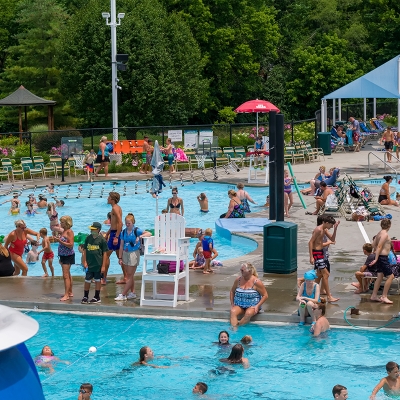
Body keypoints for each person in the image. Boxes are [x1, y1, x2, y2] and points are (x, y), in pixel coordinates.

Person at [115, 213, 151, 301]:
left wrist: (140, 236)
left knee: (129, 276)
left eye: (129, 223)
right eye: (126, 223)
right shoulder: (123, 232)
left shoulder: (136, 230)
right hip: (125, 253)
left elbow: (149, 233)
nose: (127, 225)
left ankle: (123, 294)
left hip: (134, 253)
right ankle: (133, 292)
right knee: (129, 275)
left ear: (133, 223)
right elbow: (121, 245)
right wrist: (120, 257)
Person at [308, 214, 339, 302]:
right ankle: (329, 297)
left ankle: (311, 292)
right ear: (326, 222)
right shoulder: (318, 229)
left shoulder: (323, 229)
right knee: (326, 274)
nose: (331, 227)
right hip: (317, 254)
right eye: (331, 225)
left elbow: (332, 239)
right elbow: (310, 242)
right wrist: (311, 257)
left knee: (320, 275)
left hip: (321, 253)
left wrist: (336, 228)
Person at [230, 262, 268, 327]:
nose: (241, 271)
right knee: (233, 311)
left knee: (248, 313)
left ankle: (239, 328)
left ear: (249, 271)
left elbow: (265, 295)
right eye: (240, 270)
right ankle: (234, 330)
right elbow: (232, 291)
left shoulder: (256, 282)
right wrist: (232, 304)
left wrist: (257, 306)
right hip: (239, 305)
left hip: (252, 306)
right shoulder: (238, 280)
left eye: (242, 270)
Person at [81, 222, 108, 304]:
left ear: (98, 230)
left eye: (93, 229)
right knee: (87, 280)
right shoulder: (88, 238)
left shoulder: (102, 240)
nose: (91, 230)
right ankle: (85, 296)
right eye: (91, 229)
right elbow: (85, 250)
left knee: (97, 280)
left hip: (98, 264)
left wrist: (103, 266)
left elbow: (105, 253)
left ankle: (97, 296)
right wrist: (84, 261)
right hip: (89, 264)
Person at [369, 219, 395, 304]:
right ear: (389, 226)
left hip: (380, 257)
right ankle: (384, 296)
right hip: (382, 258)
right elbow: (379, 246)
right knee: (390, 277)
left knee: (380, 276)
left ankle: (374, 295)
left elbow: (373, 245)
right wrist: (376, 258)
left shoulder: (379, 233)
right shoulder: (385, 234)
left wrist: (375, 253)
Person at [104, 192, 123, 285]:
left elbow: (120, 223)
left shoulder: (115, 208)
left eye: (109, 197)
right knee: (119, 256)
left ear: (112, 199)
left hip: (115, 234)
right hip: (113, 233)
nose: (107, 198)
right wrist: (108, 233)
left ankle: (103, 278)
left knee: (105, 255)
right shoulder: (116, 208)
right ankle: (126, 276)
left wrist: (116, 237)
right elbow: (114, 224)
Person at [58, 215, 75, 301]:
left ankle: (66, 295)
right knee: (67, 273)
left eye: (62, 222)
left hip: (68, 255)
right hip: (62, 255)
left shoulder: (69, 232)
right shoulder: (63, 231)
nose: (61, 223)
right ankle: (69, 292)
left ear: (67, 223)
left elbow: (71, 245)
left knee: (65, 275)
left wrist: (60, 241)